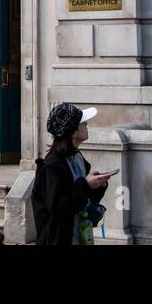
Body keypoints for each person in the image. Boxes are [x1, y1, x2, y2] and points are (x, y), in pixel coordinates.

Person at [31, 102, 113, 245]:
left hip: (80, 235)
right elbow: (60, 208)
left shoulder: (77, 157)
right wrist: (86, 185)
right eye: (83, 123)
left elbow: (82, 200)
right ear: (73, 132)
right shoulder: (52, 166)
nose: (87, 125)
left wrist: (98, 186)